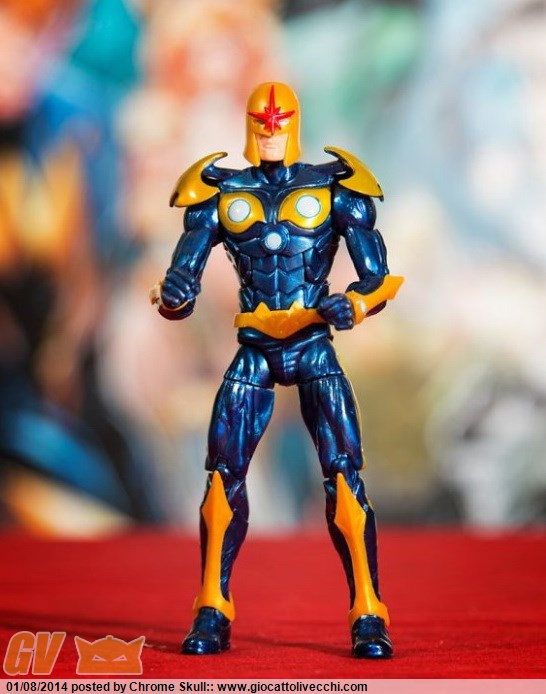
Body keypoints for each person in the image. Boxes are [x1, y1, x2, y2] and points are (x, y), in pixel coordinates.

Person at [151, 82, 402, 658]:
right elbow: (183, 277)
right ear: (249, 124)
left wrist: (356, 303)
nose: (270, 129)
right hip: (256, 348)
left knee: (344, 478)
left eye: (279, 120)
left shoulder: (338, 188)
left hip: (313, 345)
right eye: (262, 121)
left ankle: (369, 610)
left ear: (294, 121)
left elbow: (378, 277)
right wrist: (175, 296)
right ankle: (212, 607)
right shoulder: (218, 192)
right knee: (222, 478)